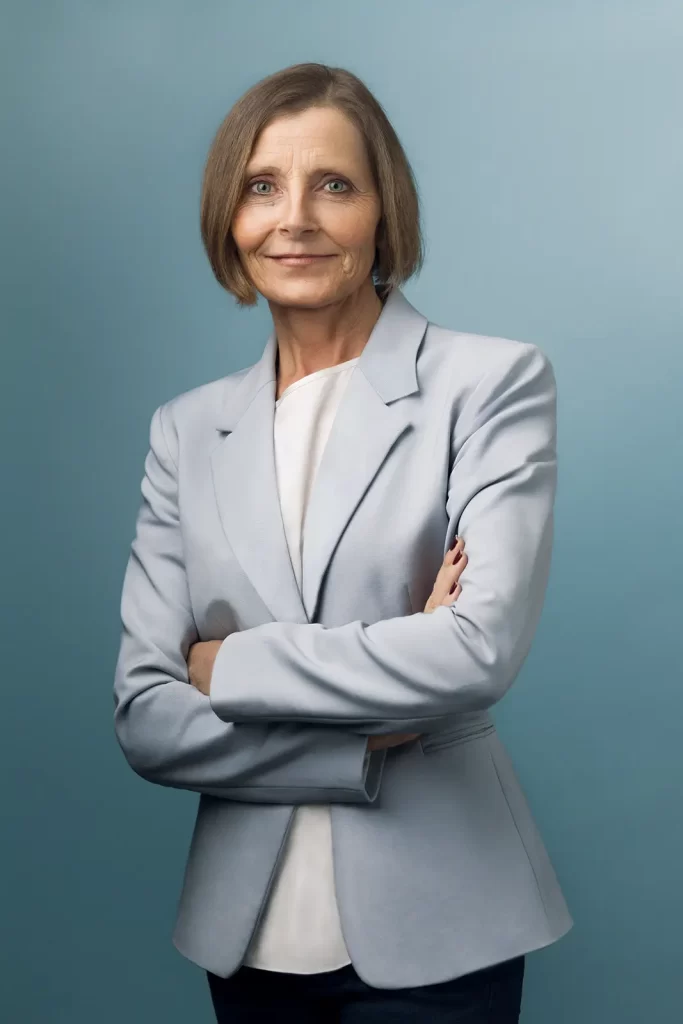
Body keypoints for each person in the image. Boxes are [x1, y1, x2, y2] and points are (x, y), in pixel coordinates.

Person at [113, 62, 572, 1023]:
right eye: (261, 186)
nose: (296, 218)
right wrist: (366, 738)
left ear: (381, 211)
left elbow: (472, 651)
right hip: (247, 939)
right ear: (228, 219)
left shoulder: (488, 385)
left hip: (445, 924)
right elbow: (146, 718)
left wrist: (223, 663)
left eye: (334, 185)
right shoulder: (185, 430)